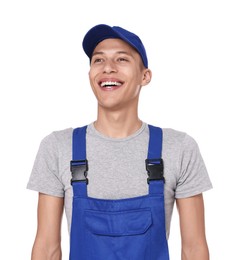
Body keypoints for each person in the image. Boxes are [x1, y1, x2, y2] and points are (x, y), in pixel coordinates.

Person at [27, 24, 212, 260]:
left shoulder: (179, 148)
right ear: (90, 75)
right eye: (98, 60)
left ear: (145, 76)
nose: (108, 68)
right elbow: (46, 248)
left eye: (122, 59)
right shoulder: (57, 147)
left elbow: (194, 249)